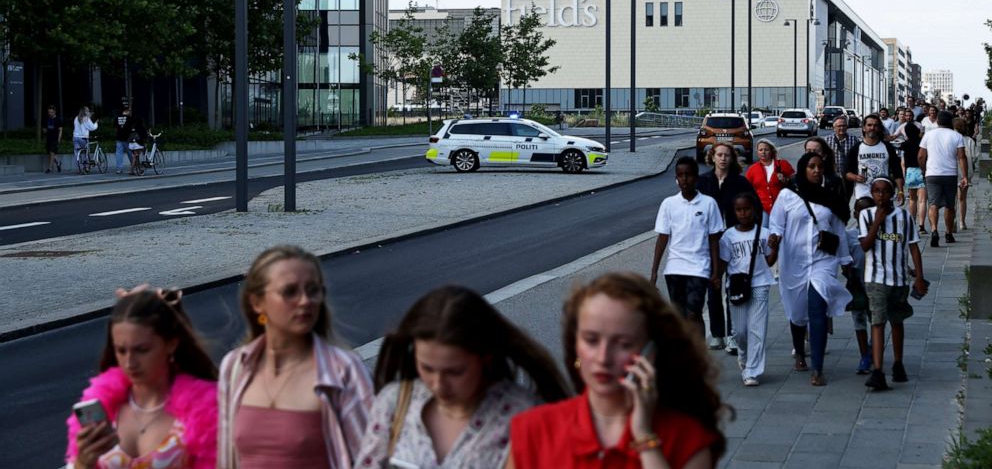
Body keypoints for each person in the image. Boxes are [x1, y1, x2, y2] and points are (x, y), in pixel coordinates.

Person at [508, 272, 725, 469]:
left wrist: (644, 438)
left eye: (623, 344)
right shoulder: (532, 431)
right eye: (591, 340)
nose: (603, 358)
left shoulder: (687, 440)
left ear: (651, 350)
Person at [355, 286, 568, 469]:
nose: (439, 385)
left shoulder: (524, 416)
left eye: (454, 372)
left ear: (485, 357)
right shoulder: (394, 402)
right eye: (427, 368)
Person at [218, 245, 374, 468]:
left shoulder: (343, 371)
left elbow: (371, 459)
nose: (305, 301)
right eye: (290, 291)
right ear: (256, 302)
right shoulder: (235, 366)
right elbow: (227, 458)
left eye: (313, 290)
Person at [65, 288, 218, 469]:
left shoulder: (205, 409)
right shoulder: (103, 406)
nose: (130, 363)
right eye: (121, 351)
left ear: (171, 344)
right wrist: (82, 463)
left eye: (142, 350)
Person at [768, 153, 853, 386]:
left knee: (817, 308)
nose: (816, 171)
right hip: (793, 262)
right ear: (802, 170)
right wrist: (774, 239)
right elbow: (775, 224)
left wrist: (845, 261)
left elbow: (838, 230)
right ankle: (799, 350)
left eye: (820, 167)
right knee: (797, 312)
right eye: (811, 167)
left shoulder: (830, 198)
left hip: (822, 261)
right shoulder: (787, 196)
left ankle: (818, 367)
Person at [859, 178, 927, 391]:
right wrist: (877, 223)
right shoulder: (866, 215)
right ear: (872, 193)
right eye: (877, 191)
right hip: (875, 278)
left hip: (898, 279)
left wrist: (919, 277)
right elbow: (865, 246)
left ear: (892, 194)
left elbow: (914, 247)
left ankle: (898, 363)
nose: (881, 196)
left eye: (885, 192)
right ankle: (878, 370)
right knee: (877, 322)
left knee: (897, 321)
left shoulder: (904, 216)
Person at [650, 156, 725, 336]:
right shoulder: (669, 204)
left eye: (688, 175)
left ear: (696, 177)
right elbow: (662, 238)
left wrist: (716, 272)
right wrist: (654, 272)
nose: (684, 179)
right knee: (679, 315)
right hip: (674, 268)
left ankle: (699, 357)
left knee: (694, 313)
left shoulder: (708, 203)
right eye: (680, 175)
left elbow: (714, 239)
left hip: (699, 267)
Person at [696, 143, 760, 354]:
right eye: (719, 155)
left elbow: (755, 208)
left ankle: (733, 333)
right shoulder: (703, 181)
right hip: (711, 241)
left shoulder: (740, 182)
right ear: (712, 157)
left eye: (727, 155)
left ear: (732, 158)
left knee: (733, 286)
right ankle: (717, 334)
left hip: (734, 238)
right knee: (713, 285)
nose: (723, 159)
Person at [716, 193, 777, 387]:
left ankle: (752, 370)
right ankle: (743, 356)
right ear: (734, 212)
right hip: (736, 286)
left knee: (757, 329)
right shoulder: (728, 236)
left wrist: (774, 248)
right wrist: (717, 278)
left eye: (747, 209)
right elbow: (724, 262)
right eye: (739, 210)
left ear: (754, 210)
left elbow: (769, 261)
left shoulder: (764, 233)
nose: (743, 213)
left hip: (760, 283)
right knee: (740, 331)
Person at [918, 111, 968, 247]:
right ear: (951, 122)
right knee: (949, 205)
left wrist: (923, 169)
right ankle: (948, 233)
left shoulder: (928, 135)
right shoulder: (957, 136)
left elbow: (921, 156)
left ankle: (934, 229)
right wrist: (964, 176)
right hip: (950, 174)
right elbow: (961, 157)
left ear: (938, 121)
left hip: (932, 174)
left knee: (933, 203)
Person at [845, 197, 875, 375]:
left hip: (876, 280)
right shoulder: (849, 235)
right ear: (854, 214)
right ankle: (864, 355)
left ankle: (873, 346)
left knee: (877, 318)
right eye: (860, 211)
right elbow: (844, 258)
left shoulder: (881, 232)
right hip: (857, 282)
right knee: (859, 319)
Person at [845, 114, 905, 203]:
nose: (872, 128)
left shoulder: (887, 147)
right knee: (866, 213)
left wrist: (900, 191)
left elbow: (897, 172)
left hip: (883, 192)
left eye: (875, 125)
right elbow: (846, 172)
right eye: (869, 125)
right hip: (863, 192)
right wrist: (855, 177)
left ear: (879, 128)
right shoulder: (856, 148)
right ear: (864, 128)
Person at [745, 139, 794, 226]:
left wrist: (786, 180)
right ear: (757, 152)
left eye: (766, 150)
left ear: (771, 151)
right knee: (764, 232)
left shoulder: (782, 164)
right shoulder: (752, 169)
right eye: (760, 150)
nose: (763, 152)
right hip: (762, 209)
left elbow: (795, 181)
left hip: (782, 207)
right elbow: (746, 189)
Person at [900, 122, 929, 234]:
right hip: (921, 171)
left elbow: (902, 162)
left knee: (912, 200)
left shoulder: (904, 145)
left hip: (910, 172)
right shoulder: (921, 143)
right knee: (922, 201)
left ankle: (912, 224)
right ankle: (921, 226)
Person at [824, 116, 860, 199]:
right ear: (834, 127)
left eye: (844, 126)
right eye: (839, 126)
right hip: (832, 176)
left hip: (848, 177)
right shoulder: (827, 140)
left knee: (846, 199)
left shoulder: (854, 140)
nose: (842, 128)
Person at [953, 118, 978, 231]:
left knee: (952, 199)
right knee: (962, 199)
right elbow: (974, 156)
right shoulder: (969, 141)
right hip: (966, 172)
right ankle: (962, 222)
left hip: (952, 171)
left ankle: (952, 221)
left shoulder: (951, 139)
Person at [73, 106, 99, 172]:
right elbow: (92, 127)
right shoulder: (86, 119)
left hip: (75, 138)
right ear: (85, 112)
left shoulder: (76, 118)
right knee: (86, 152)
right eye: (88, 111)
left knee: (77, 153)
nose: (89, 112)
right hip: (83, 138)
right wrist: (96, 123)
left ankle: (79, 169)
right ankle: (86, 167)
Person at [115, 107, 135, 175]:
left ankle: (119, 169)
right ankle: (133, 166)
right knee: (130, 153)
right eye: (129, 110)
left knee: (119, 153)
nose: (129, 111)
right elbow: (132, 128)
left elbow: (115, 128)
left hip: (119, 138)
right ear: (126, 111)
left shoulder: (117, 117)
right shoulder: (129, 118)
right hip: (127, 138)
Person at [45, 105, 63, 173]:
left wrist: (59, 139)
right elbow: (45, 128)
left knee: (52, 153)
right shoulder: (47, 119)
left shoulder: (58, 120)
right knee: (50, 153)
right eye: (49, 112)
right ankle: (58, 163)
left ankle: (50, 168)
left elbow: (60, 130)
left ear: (54, 112)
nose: (50, 113)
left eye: (51, 112)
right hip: (48, 138)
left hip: (55, 139)